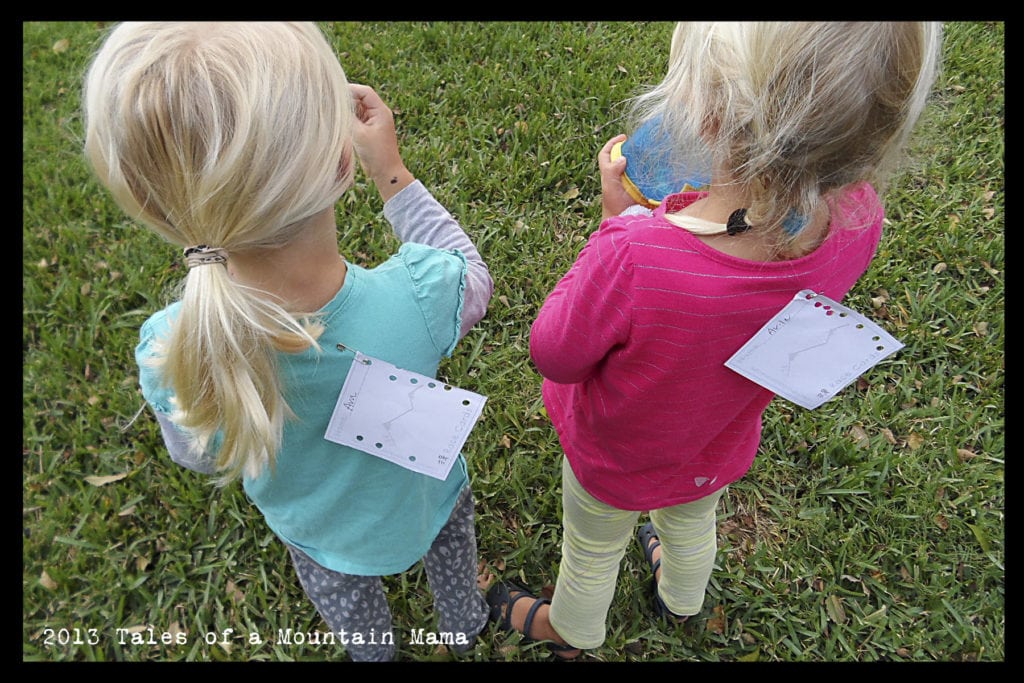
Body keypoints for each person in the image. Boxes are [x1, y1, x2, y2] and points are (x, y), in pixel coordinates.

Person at [486, 21, 943, 659]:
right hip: (715, 444)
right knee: (693, 520)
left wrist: (614, 223)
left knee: (593, 546)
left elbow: (555, 353)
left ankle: (573, 629)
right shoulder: (858, 221)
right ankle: (682, 598)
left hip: (614, 454)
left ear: (705, 117)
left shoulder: (637, 254)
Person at [82, 22, 495, 662]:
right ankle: (462, 627)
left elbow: (195, 454)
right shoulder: (423, 293)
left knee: (352, 612)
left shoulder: (170, 353)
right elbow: (472, 272)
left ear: (157, 207)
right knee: (451, 547)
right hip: (425, 499)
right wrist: (392, 172)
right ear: (339, 160)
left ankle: (374, 654)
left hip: (319, 534)